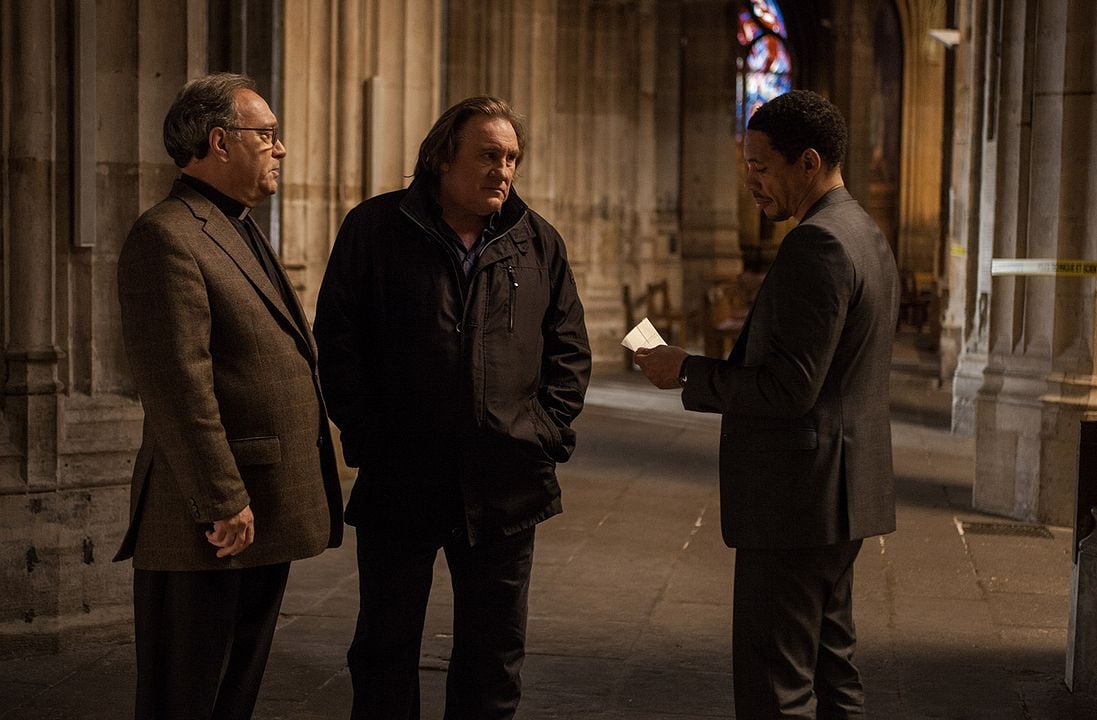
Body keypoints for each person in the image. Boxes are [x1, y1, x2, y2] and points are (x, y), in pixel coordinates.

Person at [314, 96, 591, 719]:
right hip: (403, 477)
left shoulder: (536, 241)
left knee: (493, 659)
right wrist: (371, 432)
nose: (504, 170)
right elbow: (338, 340)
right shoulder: (375, 229)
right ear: (443, 159)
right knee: (384, 649)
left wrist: (541, 433)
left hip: (507, 483)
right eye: (489, 155)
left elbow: (569, 352)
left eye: (512, 157)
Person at [635, 89, 899, 718]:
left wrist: (686, 372)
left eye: (760, 166)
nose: (749, 180)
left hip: (797, 500)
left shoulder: (818, 244)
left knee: (775, 686)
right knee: (833, 671)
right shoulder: (862, 230)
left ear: (808, 162)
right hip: (841, 494)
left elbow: (789, 388)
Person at [114, 73, 343, 720]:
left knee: (231, 696)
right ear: (219, 141)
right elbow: (178, 386)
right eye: (266, 135)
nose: (281, 148)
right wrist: (222, 498)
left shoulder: (232, 225)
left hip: (257, 509)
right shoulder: (168, 236)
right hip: (211, 520)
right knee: (186, 696)